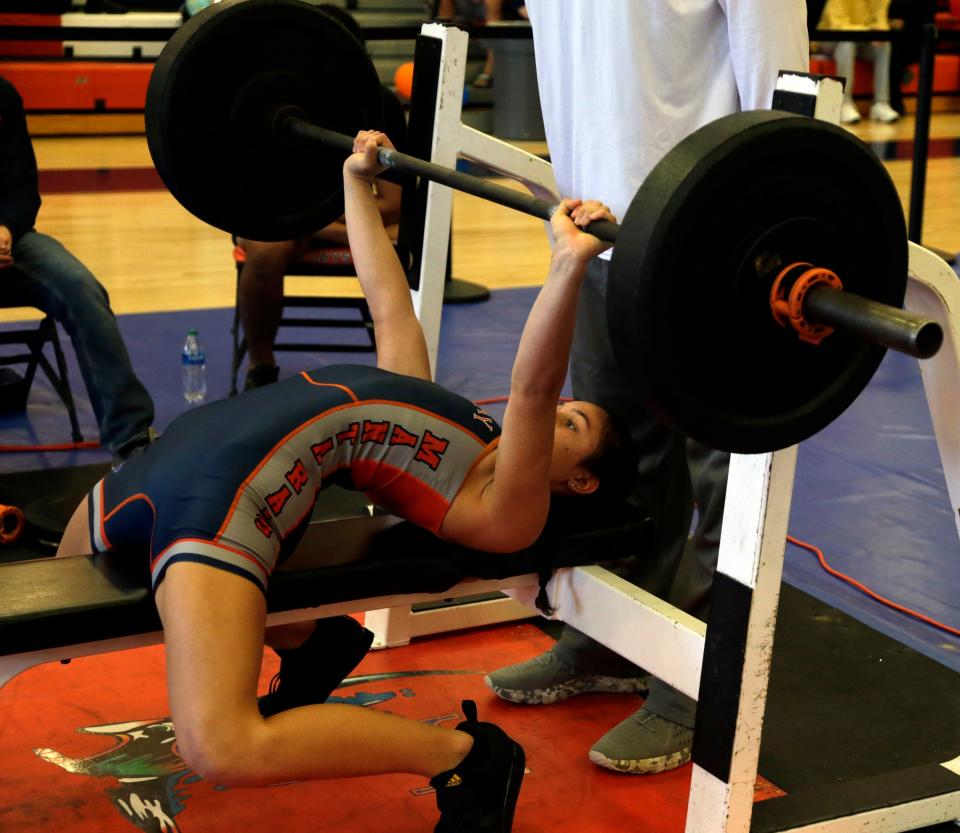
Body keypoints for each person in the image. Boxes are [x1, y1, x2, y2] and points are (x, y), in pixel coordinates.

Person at [55, 130, 634, 832]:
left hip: (235, 491)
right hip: (174, 454)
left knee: (219, 744)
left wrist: (567, 265)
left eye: (574, 427)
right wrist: (354, 182)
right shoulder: (433, 410)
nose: (559, 413)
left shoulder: (504, 512)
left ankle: (466, 754)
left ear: (580, 481)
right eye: (574, 406)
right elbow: (386, 297)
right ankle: (310, 640)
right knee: (60, 591)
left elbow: (534, 388)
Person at [484, 1, 809, 776]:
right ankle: (606, 638)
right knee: (618, 469)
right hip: (596, 229)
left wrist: (766, 231)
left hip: (708, 234)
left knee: (720, 480)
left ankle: (698, 686)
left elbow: (782, 79)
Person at [236, 4, 407, 391]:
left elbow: (394, 206)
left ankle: (398, 371)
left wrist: (320, 226)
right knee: (264, 251)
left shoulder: (380, 104)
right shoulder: (266, 95)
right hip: (284, 218)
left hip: (346, 221)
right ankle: (260, 367)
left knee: (400, 244)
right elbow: (251, 204)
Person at [0, 75, 155, 464]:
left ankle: (131, 437)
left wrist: (5, 228)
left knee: (80, 287)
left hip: (9, 243)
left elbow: (23, 187)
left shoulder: (3, 96)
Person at [816, 0, 901, 123]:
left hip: (862, 38)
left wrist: (878, 33)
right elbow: (839, 25)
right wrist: (869, 32)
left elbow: (881, 22)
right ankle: (845, 103)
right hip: (831, 37)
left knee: (884, 44)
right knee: (847, 43)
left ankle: (881, 103)